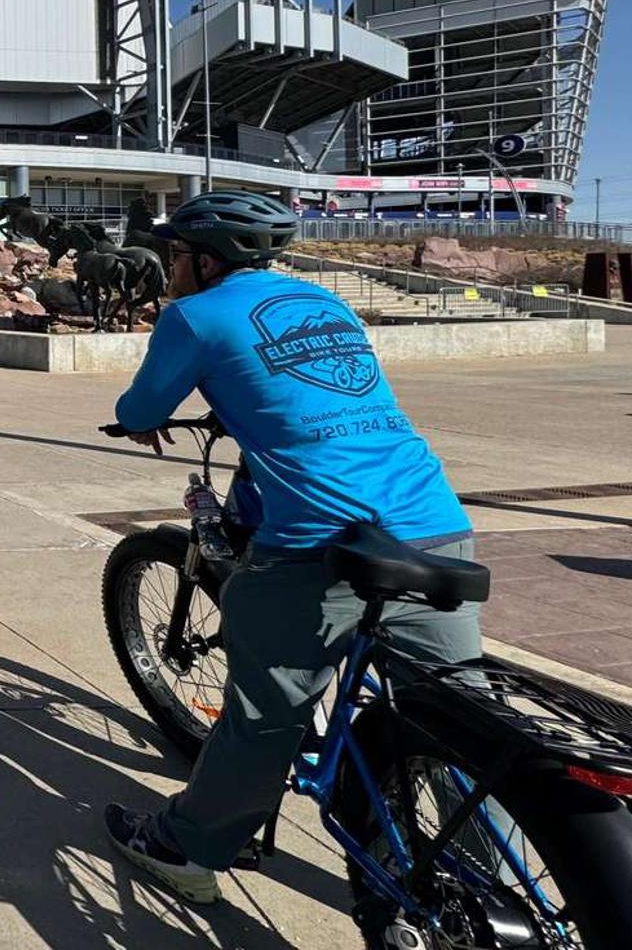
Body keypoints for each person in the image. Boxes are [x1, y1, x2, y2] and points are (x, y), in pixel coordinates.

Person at [102, 191, 477, 906]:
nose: (168, 265)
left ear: (207, 260)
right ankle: (499, 861)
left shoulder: (193, 314)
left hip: (320, 540)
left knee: (263, 716)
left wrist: (145, 415)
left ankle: (191, 848)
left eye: (176, 253)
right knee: (460, 721)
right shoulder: (325, 304)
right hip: (435, 520)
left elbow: (139, 409)